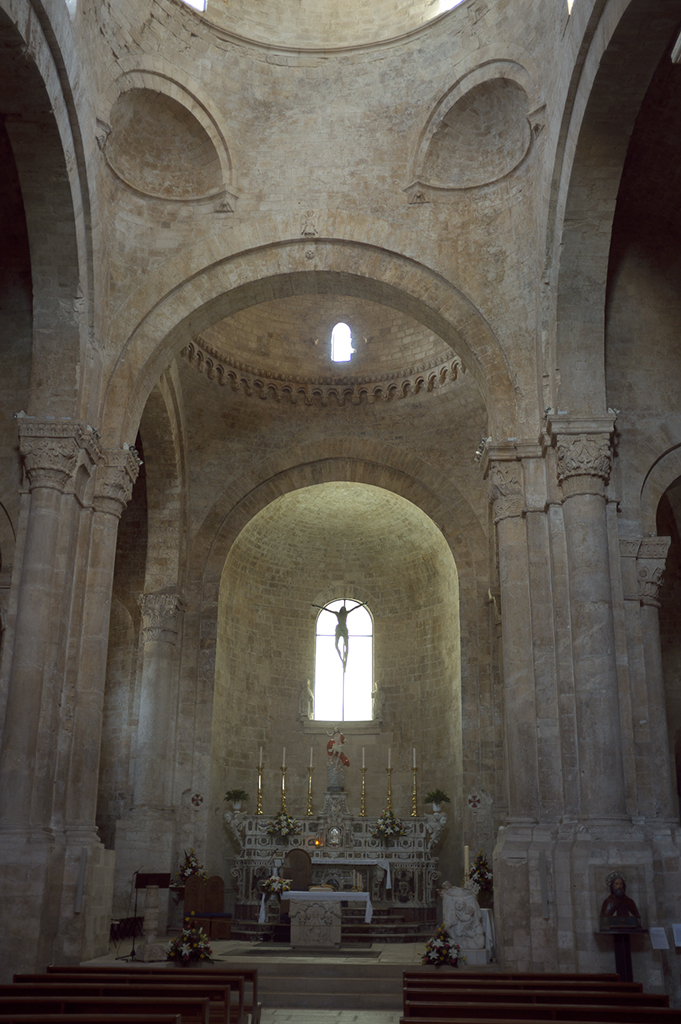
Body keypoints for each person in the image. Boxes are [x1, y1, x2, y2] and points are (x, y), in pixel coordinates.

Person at [312, 600, 368, 671]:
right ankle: (342, 660)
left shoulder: (343, 613)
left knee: (346, 647)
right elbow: (326, 609)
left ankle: (344, 662)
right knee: (337, 645)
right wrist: (317, 606)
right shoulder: (340, 614)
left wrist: (363, 604)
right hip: (339, 629)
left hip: (343, 630)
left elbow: (354, 608)